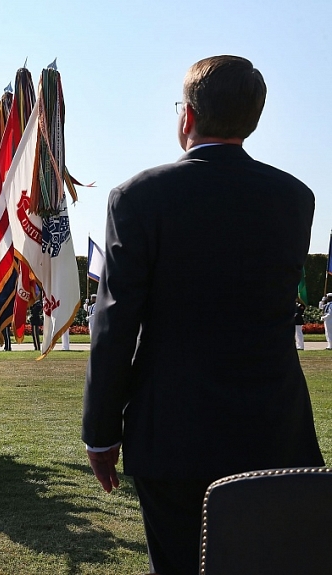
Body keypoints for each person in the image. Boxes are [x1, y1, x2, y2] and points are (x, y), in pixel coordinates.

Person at [82, 56, 324, 575]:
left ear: (186, 117)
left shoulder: (138, 197)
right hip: (274, 429)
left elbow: (116, 323)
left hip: (174, 433)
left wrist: (100, 431)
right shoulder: (294, 198)